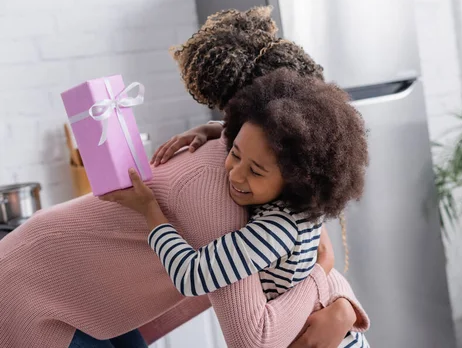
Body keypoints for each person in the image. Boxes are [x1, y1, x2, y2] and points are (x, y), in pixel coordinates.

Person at [0, 7, 369, 348]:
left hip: (87, 285)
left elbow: (306, 254)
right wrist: (327, 282)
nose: (239, 170)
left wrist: (342, 303)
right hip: (31, 282)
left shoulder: (273, 187)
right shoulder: (220, 188)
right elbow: (253, 336)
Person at [102, 69, 370, 347]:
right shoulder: (302, 205)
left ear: (295, 178)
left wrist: (149, 209)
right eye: (235, 153)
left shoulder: (275, 231)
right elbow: (260, 142)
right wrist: (216, 129)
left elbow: (190, 275)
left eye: (255, 171)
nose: (236, 174)